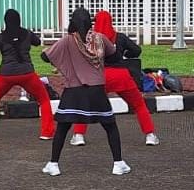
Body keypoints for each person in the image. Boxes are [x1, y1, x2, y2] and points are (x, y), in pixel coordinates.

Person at [41, 7, 130, 176]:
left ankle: (53, 164)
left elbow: (45, 56)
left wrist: (64, 59)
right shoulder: (100, 38)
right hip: (97, 90)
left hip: (73, 91)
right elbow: (113, 54)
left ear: (72, 23)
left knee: (62, 128)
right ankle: (118, 163)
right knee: (110, 126)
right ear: (90, 22)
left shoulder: (67, 41)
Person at [68, 10, 158, 147]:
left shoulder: (89, 39)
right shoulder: (120, 37)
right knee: (139, 105)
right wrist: (125, 54)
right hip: (121, 76)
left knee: (85, 105)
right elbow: (137, 50)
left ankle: (78, 135)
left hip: (98, 77)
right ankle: (150, 135)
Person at [0, 9, 56, 141]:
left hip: (6, 74)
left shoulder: (1, 37)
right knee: (43, 100)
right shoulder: (27, 33)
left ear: (5, 21)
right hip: (27, 73)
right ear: (19, 20)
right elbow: (37, 42)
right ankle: (47, 133)